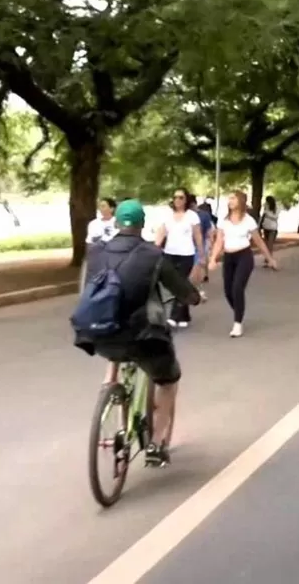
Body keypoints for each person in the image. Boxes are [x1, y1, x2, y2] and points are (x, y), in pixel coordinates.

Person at [74, 199, 201, 467]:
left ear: (116, 222)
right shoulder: (152, 255)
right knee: (168, 381)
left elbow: (87, 291)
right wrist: (194, 297)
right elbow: (183, 292)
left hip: (97, 335)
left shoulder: (95, 252)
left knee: (116, 337)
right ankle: (156, 444)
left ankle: (110, 386)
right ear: (142, 224)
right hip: (143, 338)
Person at [209, 191, 278, 337]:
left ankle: (237, 323)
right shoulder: (224, 221)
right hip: (229, 257)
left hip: (244, 256)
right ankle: (239, 311)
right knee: (228, 292)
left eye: (233, 198)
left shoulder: (248, 220)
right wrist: (213, 258)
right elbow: (219, 241)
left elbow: (259, 241)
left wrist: (270, 259)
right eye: (229, 199)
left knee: (237, 287)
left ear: (240, 201)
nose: (230, 201)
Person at [153, 188, 205, 328]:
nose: (178, 200)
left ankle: (173, 316)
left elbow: (198, 236)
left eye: (181, 197)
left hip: (186, 254)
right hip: (169, 253)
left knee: (180, 283)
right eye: (175, 197)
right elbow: (161, 233)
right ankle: (184, 316)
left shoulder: (192, 216)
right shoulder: (168, 215)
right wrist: (154, 249)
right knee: (174, 284)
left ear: (186, 199)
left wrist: (201, 255)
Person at [259, 196, 280, 265]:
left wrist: (267, 214)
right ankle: (267, 259)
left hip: (273, 228)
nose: (266, 203)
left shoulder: (276, 208)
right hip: (266, 227)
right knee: (266, 244)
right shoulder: (266, 207)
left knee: (270, 244)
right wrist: (260, 224)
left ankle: (269, 260)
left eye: (267, 201)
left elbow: (275, 217)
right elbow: (263, 216)